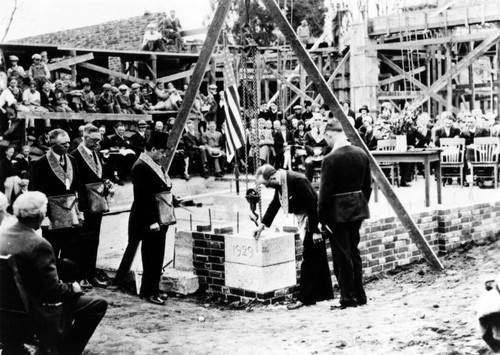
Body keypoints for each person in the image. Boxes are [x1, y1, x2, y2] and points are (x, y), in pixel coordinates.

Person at [0, 191, 107, 355]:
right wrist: (73, 288)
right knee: (98, 304)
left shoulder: (3, 235)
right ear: (40, 215)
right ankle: (67, 351)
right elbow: (53, 291)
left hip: (9, 309)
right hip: (37, 309)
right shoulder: (38, 244)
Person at [253, 164, 333, 310]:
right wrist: (262, 224)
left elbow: (313, 203)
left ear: (273, 177)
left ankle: (305, 298)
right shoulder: (280, 183)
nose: (267, 187)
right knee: (317, 256)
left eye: (267, 184)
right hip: (305, 217)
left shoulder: (297, 180)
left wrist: (315, 230)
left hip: (313, 218)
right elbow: (275, 203)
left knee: (308, 258)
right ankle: (323, 294)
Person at [318, 119, 372, 310]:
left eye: (326, 139)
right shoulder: (361, 153)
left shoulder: (330, 159)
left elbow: (324, 195)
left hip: (337, 214)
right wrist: (358, 203)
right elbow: (367, 187)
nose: (327, 143)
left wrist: (321, 219)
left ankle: (348, 299)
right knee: (354, 252)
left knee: (342, 255)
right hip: (357, 210)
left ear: (330, 134)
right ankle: (360, 295)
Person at [116, 133, 173, 305]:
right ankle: (148, 292)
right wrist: (151, 221)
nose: (163, 155)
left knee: (158, 256)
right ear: (153, 149)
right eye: (161, 152)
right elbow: (142, 198)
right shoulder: (140, 167)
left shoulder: (153, 164)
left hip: (161, 216)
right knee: (150, 256)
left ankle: (154, 288)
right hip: (150, 220)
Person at [30, 128, 81, 257]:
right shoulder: (40, 163)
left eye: (68, 142)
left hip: (70, 212)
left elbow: (76, 185)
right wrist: (44, 216)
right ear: (53, 144)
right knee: (52, 248)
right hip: (52, 214)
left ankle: (67, 277)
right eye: (63, 144)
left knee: (69, 248)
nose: (67, 146)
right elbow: (35, 191)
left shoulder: (72, 160)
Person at [70, 124, 109, 290]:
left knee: (94, 239)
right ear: (84, 138)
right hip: (84, 204)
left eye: (99, 141)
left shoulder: (96, 154)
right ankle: (80, 276)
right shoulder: (74, 156)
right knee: (81, 241)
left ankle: (91, 273)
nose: (97, 144)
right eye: (94, 141)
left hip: (97, 203)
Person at [304, 114, 330, 181]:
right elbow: (306, 145)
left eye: (319, 120)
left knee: (329, 162)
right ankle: (308, 185)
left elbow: (329, 144)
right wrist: (313, 151)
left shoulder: (326, 133)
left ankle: (326, 185)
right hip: (312, 155)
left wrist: (322, 151)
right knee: (308, 163)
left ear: (322, 121)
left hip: (324, 155)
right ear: (313, 122)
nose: (318, 122)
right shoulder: (308, 133)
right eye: (316, 120)